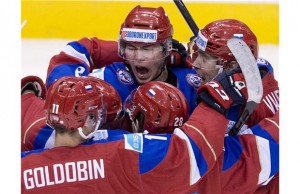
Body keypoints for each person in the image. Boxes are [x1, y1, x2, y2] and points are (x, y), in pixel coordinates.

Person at [21, 78, 279, 194]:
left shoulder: (24, 164)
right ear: (88, 121)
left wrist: (28, 90)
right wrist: (216, 101)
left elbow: (25, 107)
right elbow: (189, 152)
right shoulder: (122, 155)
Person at [46, 5, 201, 116]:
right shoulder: (107, 81)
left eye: (147, 49)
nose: (139, 57)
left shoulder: (192, 83)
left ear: (166, 49)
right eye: (132, 48)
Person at [188, 19, 279, 193]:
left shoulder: (259, 108)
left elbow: (240, 172)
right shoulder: (240, 82)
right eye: (197, 54)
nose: (195, 64)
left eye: (205, 58)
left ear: (232, 66)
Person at [21, 75, 122, 151]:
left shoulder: (32, 127)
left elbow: (26, 91)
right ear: (90, 119)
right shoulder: (116, 143)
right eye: (102, 120)